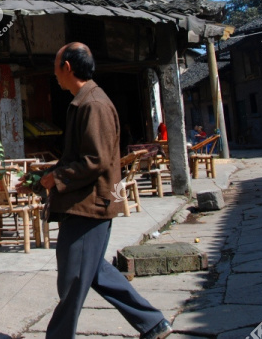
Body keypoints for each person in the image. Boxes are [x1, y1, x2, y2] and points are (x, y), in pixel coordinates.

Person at [18, 43, 172, 339]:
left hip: (90, 205)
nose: (54, 72)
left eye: (55, 65)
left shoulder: (94, 104)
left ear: (67, 68)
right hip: (82, 203)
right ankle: (153, 323)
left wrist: (56, 178)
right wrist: (43, 176)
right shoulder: (82, 102)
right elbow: (80, 157)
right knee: (95, 273)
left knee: (73, 279)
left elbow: (95, 160)